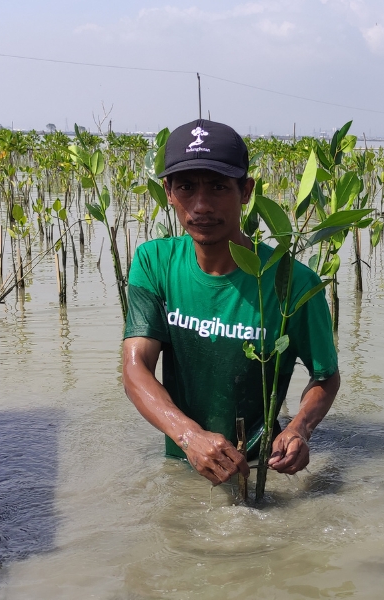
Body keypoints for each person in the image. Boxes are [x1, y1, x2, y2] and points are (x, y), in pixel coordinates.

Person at [122, 119, 340, 486]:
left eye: (219, 187)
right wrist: (188, 436)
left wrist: (300, 429)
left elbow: (326, 377)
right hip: (182, 460)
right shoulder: (153, 263)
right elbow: (135, 369)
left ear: (246, 191)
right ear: (168, 192)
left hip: (259, 469)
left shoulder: (294, 281)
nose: (202, 205)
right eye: (187, 188)